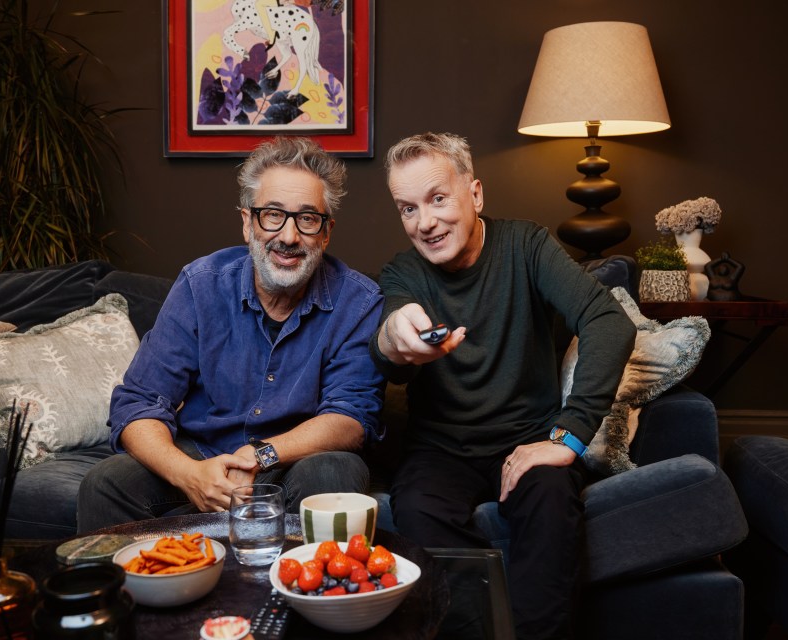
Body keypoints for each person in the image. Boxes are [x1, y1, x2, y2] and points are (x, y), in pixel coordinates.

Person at [370, 133, 636, 639]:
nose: (424, 223)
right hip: (440, 453)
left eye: (437, 199)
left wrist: (567, 437)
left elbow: (608, 321)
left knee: (552, 498)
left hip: (528, 441)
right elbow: (390, 345)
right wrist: (394, 338)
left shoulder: (527, 245)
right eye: (407, 209)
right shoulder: (404, 272)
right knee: (418, 507)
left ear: (476, 194)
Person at [78, 136, 385, 532]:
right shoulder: (200, 285)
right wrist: (189, 473)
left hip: (297, 459)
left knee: (333, 472)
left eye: (307, 219)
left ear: (325, 233)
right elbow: (139, 403)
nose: (289, 237)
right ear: (247, 222)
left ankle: (299, 593)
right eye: (273, 215)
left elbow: (350, 418)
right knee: (104, 485)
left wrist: (261, 455)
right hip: (204, 454)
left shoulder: (358, 301)